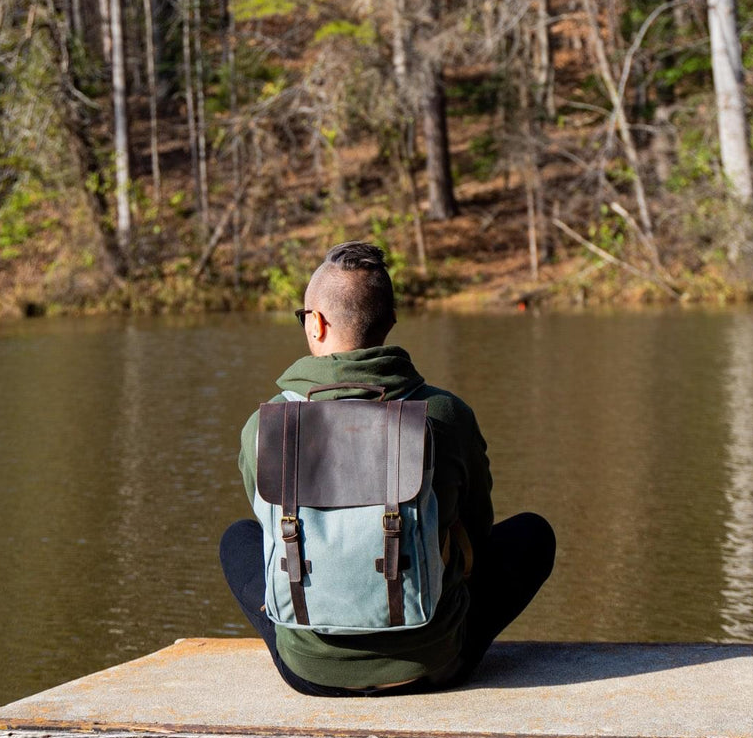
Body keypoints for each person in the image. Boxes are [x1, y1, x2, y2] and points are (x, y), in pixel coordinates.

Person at [220, 241, 555, 696]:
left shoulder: (266, 424)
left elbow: (269, 529)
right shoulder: (444, 413)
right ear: (391, 322)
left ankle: (312, 640)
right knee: (533, 534)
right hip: (431, 665)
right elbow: (476, 531)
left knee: (238, 539)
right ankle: (425, 636)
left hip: (311, 673)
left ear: (315, 323)